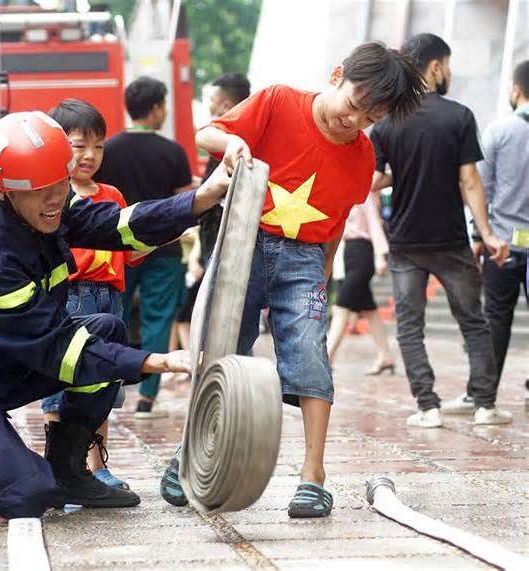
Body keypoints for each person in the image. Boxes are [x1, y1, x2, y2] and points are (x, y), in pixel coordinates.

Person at [0, 111, 230, 520]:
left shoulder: (45, 207)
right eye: (40, 190)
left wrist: (203, 197)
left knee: (106, 329)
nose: (55, 200)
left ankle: (68, 468)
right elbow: (62, 351)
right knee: (27, 495)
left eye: (60, 183)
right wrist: (158, 361)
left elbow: (116, 224)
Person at [161, 41, 426, 518]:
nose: (354, 122)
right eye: (353, 105)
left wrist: (322, 282)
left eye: (369, 118)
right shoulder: (279, 100)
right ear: (336, 74)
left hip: (304, 261)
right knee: (220, 347)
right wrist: (235, 142)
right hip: (244, 240)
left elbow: (336, 225)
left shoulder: (362, 158)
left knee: (309, 353)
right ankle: (191, 450)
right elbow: (207, 133)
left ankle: (313, 475)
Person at [369, 33, 511, 428]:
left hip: (404, 244)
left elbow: (372, 181)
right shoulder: (459, 116)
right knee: (473, 321)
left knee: (410, 328)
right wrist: (487, 233)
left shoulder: (385, 124)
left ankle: (427, 407)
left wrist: (405, 171)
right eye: (447, 65)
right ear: (435, 67)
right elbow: (470, 182)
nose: (449, 72)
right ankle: (484, 405)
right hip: (450, 241)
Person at [41, 98, 145, 491]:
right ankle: (58, 471)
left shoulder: (113, 196)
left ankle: (97, 468)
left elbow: (128, 254)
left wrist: (161, 235)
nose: (90, 155)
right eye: (78, 145)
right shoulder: (51, 194)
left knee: (102, 383)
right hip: (70, 297)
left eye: (98, 146)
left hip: (109, 299)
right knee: (59, 386)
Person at [95, 76, 194, 419]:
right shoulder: (173, 152)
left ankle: (111, 383)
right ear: (155, 109)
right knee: (158, 319)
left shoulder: (108, 149)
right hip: (163, 249)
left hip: (115, 246)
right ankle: (147, 396)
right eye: (163, 105)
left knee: (112, 316)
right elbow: (185, 202)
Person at [443, 60, 529, 414]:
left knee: (495, 317)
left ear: (516, 89)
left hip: (503, 243)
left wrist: (480, 234)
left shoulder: (498, 130)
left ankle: (482, 396)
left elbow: (481, 186)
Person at [175, 74, 252, 355]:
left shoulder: (232, 144)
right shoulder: (237, 141)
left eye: (211, 101)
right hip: (222, 240)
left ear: (226, 104)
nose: (208, 108)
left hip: (224, 241)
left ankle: (232, 379)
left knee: (226, 318)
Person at [327, 192, 394, 374]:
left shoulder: (365, 192)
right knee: (369, 310)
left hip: (363, 251)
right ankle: (385, 356)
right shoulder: (346, 190)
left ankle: (326, 358)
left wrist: (380, 256)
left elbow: (374, 223)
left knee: (341, 307)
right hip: (348, 251)